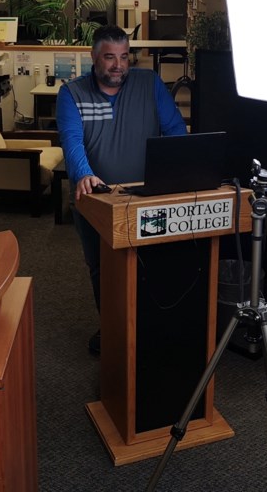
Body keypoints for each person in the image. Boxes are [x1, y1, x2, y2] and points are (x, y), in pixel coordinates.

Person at [56, 25, 187, 355]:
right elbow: (72, 142)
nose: (118, 65)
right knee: (103, 269)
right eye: (110, 57)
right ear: (93, 57)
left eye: (124, 57)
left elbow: (175, 131)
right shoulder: (72, 94)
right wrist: (85, 174)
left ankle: (148, 329)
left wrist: (186, 167)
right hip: (96, 201)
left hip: (148, 197)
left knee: (151, 264)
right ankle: (113, 327)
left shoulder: (150, 84)